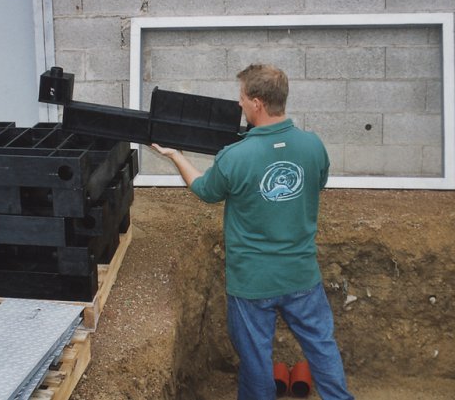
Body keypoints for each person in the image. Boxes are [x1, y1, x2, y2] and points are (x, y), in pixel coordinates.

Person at [151, 64, 353, 400]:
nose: (239, 104)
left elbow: (205, 190)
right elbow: (316, 183)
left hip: (252, 282)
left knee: (256, 360)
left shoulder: (235, 156)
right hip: (301, 275)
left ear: (257, 103)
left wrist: (176, 156)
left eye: (242, 98)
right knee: (321, 347)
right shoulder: (313, 146)